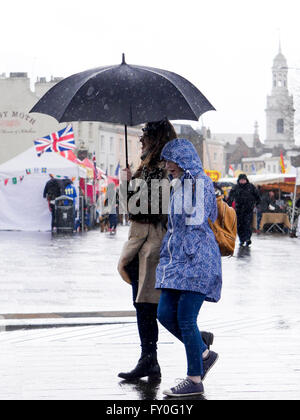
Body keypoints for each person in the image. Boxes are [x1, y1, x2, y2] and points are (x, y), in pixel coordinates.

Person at [117, 120, 214, 381]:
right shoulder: (146, 167)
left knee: (153, 305)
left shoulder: (166, 169)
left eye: (145, 135)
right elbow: (130, 208)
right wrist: (126, 184)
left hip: (156, 243)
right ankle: (150, 358)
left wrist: (129, 187)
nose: (140, 141)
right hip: (139, 243)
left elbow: (148, 208)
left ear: (156, 137)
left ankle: (187, 348)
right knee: (142, 304)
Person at [155, 138, 221, 397]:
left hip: (197, 259)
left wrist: (189, 186)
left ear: (183, 159)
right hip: (175, 260)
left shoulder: (200, 183)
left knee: (185, 317)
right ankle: (203, 352)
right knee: (164, 313)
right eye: (166, 160)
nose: (167, 165)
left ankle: (194, 379)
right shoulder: (177, 185)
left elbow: (197, 220)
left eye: (171, 160)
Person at [227, 174, 260, 247]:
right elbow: (230, 197)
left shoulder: (251, 187)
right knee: (239, 225)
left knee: (247, 224)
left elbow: (257, 196)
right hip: (239, 209)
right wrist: (228, 205)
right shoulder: (236, 187)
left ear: (246, 180)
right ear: (239, 180)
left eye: (244, 180)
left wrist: (257, 203)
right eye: (241, 180)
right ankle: (242, 239)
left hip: (248, 209)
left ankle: (248, 238)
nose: (242, 181)